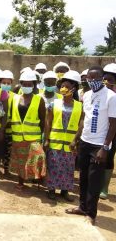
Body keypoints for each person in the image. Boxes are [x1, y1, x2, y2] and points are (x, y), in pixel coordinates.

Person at [66, 66, 116, 225]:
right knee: (83, 178)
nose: (92, 81)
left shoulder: (111, 96)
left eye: (95, 78)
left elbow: (113, 124)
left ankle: (91, 214)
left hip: (98, 145)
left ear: (102, 78)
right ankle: (82, 207)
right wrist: (76, 139)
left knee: (94, 180)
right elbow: (84, 119)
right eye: (89, 78)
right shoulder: (86, 95)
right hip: (85, 142)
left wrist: (105, 147)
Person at [44, 71, 83, 201]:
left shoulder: (79, 106)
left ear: (74, 88)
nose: (63, 89)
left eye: (67, 86)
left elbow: (81, 124)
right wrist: (47, 139)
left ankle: (64, 191)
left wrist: (76, 140)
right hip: (55, 141)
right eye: (62, 86)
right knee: (53, 165)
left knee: (68, 167)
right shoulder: (54, 104)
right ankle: (51, 189)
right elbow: (48, 122)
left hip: (70, 143)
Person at [10, 70, 46, 190]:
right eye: (24, 84)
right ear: (20, 84)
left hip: (33, 136)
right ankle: (21, 182)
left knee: (36, 159)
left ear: (34, 85)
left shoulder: (39, 100)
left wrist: (41, 135)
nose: (27, 86)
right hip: (18, 136)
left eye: (29, 84)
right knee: (21, 160)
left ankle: (37, 180)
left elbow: (42, 119)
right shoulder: (15, 98)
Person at [99, 63, 116, 199]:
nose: (106, 82)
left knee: (109, 156)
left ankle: (104, 187)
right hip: (101, 128)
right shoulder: (100, 92)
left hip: (113, 130)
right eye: (105, 78)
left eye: (110, 79)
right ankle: (97, 184)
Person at [0, 70, 14, 175]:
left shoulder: (15, 96)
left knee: (8, 151)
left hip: (9, 127)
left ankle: (6, 169)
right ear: (0, 82)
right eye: (4, 82)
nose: (6, 85)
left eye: (8, 83)